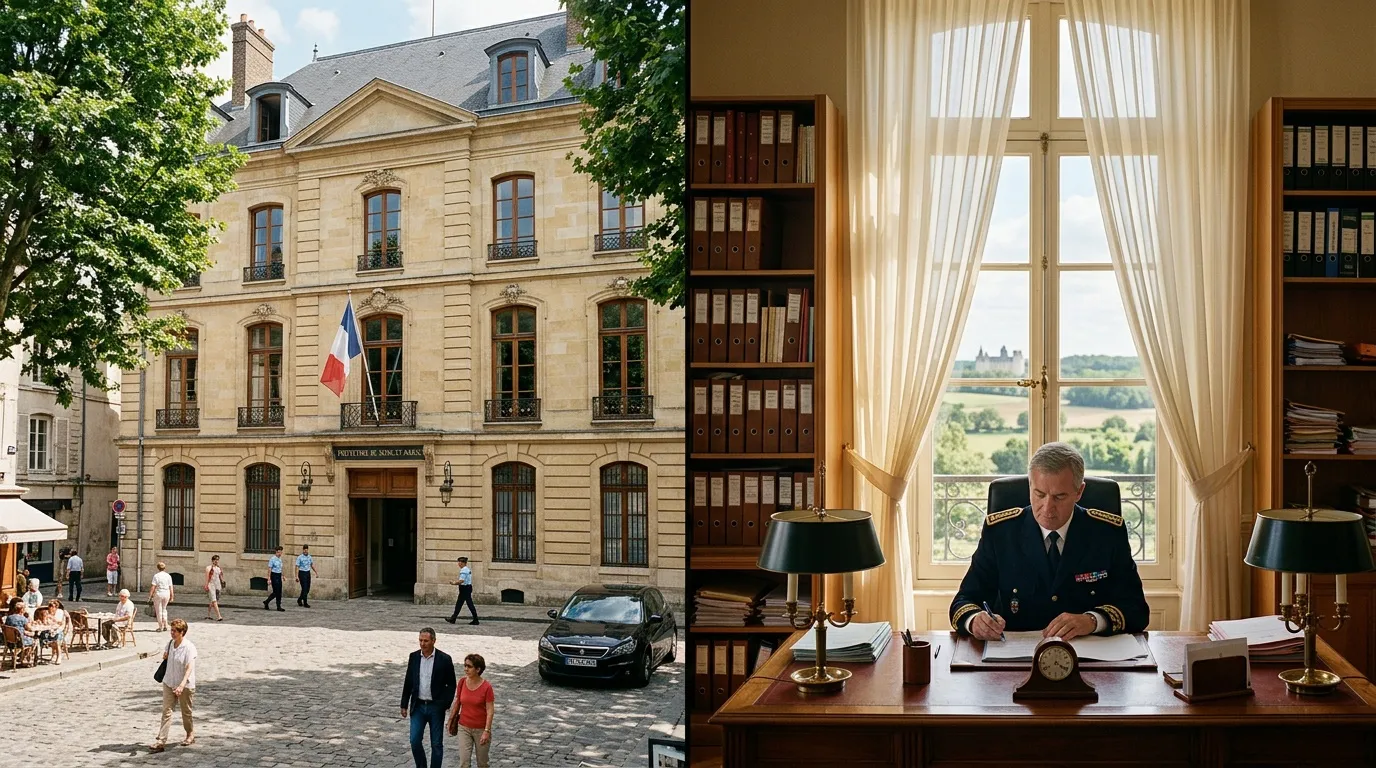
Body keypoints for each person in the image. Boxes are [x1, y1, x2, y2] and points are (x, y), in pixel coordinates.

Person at [950, 442, 1150, 641]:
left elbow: (1137, 610)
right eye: (1039, 494)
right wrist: (975, 620)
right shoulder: (1001, 532)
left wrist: (1092, 620)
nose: (1047, 508)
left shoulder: (1107, 533)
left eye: (1059, 497)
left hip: (1087, 659)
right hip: (1015, 660)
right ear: (1030, 486)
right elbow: (963, 601)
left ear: (1079, 492)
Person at [400, 627, 457, 768]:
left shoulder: (444, 659)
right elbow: (409, 680)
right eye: (420, 640)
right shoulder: (414, 657)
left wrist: (445, 703)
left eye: (426, 641)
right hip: (418, 705)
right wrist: (404, 703)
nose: (422, 644)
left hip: (435, 706)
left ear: (433, 641)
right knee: (414, 740)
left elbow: (451, 684)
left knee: (436, 743)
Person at [150, 618, 197, 753]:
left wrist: (182, 685)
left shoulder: (189, 647)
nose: (172, 633)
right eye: (171, 630)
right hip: (169, 681)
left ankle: (190, 734)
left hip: (185, 685)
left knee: (186, 712)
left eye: (175, 631)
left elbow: (189, 668)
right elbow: (166, 657)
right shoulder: (170, 643)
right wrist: (165, 656)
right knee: (167, 711)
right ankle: (161, 741)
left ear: (182, 632)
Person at [448, 653, 495, 768]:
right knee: (464, 762)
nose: (465, 669)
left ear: (478, 669)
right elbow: (458, 702)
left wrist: (487, 731)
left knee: (482, 763)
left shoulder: (486, 687)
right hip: (464, 727)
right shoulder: (462, 682)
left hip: (480, 729)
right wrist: (450, 719)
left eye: (469, 666)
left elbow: (490, 710)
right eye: (465, 666)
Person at [445, 557, 478, 626]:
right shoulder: (467, 569)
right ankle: (453, 618)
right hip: (467, 588)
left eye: (459, 562)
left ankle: (476, 619)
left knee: (469, 604)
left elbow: (461, 581)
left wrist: (453, 583)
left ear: (462, 563)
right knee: (459, 604)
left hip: (464, 589)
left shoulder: (463, 571)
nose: (458, 564)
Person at [3, 598, 35, 666]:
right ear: (22, 610)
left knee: (28, 635)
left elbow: (7, 626)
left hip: (10, 641)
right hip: (19, 642)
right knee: (33, 639)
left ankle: (21, 657)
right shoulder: (23, 619)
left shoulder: (9, 617)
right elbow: (30, 628)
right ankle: (24, 658)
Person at [149, 562, 174, 632]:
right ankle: (165, 625)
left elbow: (153, 587)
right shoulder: (168, 576)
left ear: (158, 568)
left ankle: (160, 626)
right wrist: (172, 596)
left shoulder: (156, 576)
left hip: (159, 593)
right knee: (164, 609)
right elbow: (171, 587)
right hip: (166, 593)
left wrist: (150, 595)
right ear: (164, 568)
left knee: (158, 611)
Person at [263, 546, 285, 611]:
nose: (280, 553)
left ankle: (278, 606)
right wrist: (269, 578)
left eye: (281, 552)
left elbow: (280, 569)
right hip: (274, 575)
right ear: (276, 552)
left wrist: (283, 576)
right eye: (279, 552)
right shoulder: (272, 559)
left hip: (278, 575)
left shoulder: (280, 559)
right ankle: (267, 602)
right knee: (276, 592)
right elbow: (269, 569)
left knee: (279, 591)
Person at [204, 555, 224, 621]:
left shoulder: (219, 568)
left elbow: (220, 577)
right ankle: (219, 616)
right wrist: (206, 585)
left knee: (213, 601)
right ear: (212, 560)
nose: (217, 561)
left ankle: (208, 615)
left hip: (218, 586)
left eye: (218, 559)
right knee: (214, 601)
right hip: (211, 585)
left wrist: (222, 582)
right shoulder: (208, 568)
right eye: (215, 560)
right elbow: (207, 578)